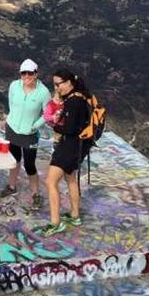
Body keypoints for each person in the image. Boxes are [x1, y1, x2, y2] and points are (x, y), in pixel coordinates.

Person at [38, 69, 93, 237]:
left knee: (50, 181)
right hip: (81, 146)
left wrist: (54, 125)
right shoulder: (82, 96)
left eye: (58, 84)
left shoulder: (73, 102)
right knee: (70, 177)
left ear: (69, 82)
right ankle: (75, 215)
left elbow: (69, 129)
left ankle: (55, 223)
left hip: (69, 146)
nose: (57, 88)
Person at [0, 59, 50, 209]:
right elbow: (11, 103)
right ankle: (11, 186)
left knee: (29, 165)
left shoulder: (43, 92)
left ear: (36, 74)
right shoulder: (14, 86)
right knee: (13, 160)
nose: (26, 76)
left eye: (30, 73)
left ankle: (35, 194)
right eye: (23, 73)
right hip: (12, 129)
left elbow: (47, 114)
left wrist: (34, 126)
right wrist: (11, 119)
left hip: (30, 134)